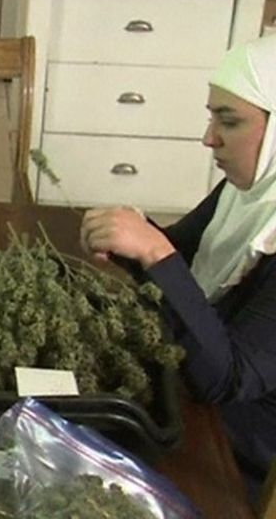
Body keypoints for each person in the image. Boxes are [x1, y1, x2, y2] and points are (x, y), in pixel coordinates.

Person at [80, 34, 276, 497]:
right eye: (212, 117)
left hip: (235, 457)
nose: (209, 138)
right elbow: (181, 254)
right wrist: (130, 238)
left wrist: (153, 252)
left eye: (229, 121)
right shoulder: (253, 193)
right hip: (192, 394)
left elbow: (226, 379)